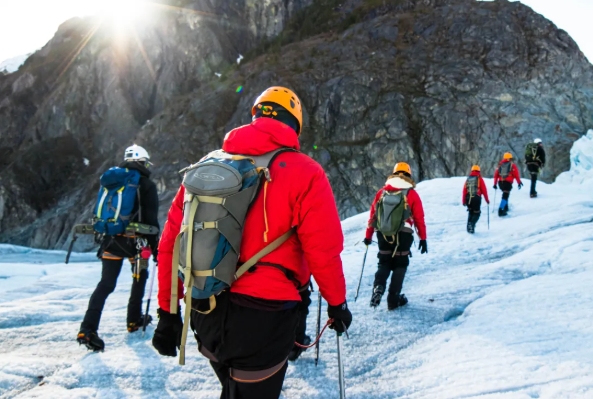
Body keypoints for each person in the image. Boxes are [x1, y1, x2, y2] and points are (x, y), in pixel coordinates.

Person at [151, 87, 352, 399]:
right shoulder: (306, 172)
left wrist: (168, 313)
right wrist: (337, 304)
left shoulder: (209, 165)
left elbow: (170, 244)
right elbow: (322, 250)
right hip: (265, 319)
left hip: (206, 309)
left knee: (231, 389)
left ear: (255, 116)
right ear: (294, 124)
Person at [76, 145, 159, 352]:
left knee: (105, 284)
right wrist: (156, 248)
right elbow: (151, 219)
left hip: (111, 240)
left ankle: (87, 329)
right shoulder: (146, 184)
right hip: (136, 243)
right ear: (143, 162)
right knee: (139, 279)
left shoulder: (111, 180)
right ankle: (134, 321)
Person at [363, 162, 427, 310]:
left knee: (384, 262)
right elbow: (419, 218)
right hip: (404, 234)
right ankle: (393, 300)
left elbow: (373, 216)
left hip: (383, 233)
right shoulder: (411, 194)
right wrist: (423, 238)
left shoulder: (382, 192)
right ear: (408, 175)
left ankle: (378, 288)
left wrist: (368, 235)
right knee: (400, 264)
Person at [463, 165, 490, 234]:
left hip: (468, 198)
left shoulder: (468, 179)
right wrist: (487, 200)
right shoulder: (479, 179)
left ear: (472, 171)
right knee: (477, 213)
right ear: (479, 171)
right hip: (476, 198)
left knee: (471, 212)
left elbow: (464, 190)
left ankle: (469, 228)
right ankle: (471, 225)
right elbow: (484, 190)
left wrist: (464, 201)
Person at [493, 152, 522, 217]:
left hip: (501, 183)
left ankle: (506, 208)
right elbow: (516, 175)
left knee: (505, 194)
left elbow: (496, 175)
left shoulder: (500, 165)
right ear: (510, 158)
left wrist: (494, 184)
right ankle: (501, 210)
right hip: (508, 183)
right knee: (505, 196)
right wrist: (519, 182)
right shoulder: (512, 165)